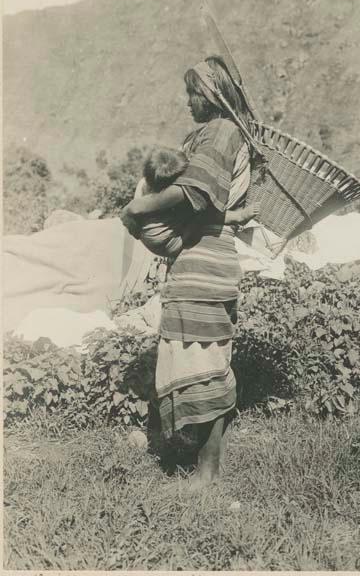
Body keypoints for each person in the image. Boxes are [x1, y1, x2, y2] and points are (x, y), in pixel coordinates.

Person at [121, 55, 255, 489]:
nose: (187, 101)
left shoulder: (220, 131)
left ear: (210, 94)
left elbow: (193, 190)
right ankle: (201, 461)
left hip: (204, 260)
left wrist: (139, 206)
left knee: (204, 358)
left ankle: (207, 472)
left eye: (192, 93)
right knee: (203, 354)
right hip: (204, 258)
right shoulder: (215, 134)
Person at [134, 146, 258, 258]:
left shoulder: (146, 183)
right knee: (202, 213)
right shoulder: (170, 200)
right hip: (169, 244)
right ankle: (238, 217)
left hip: (152, 235)